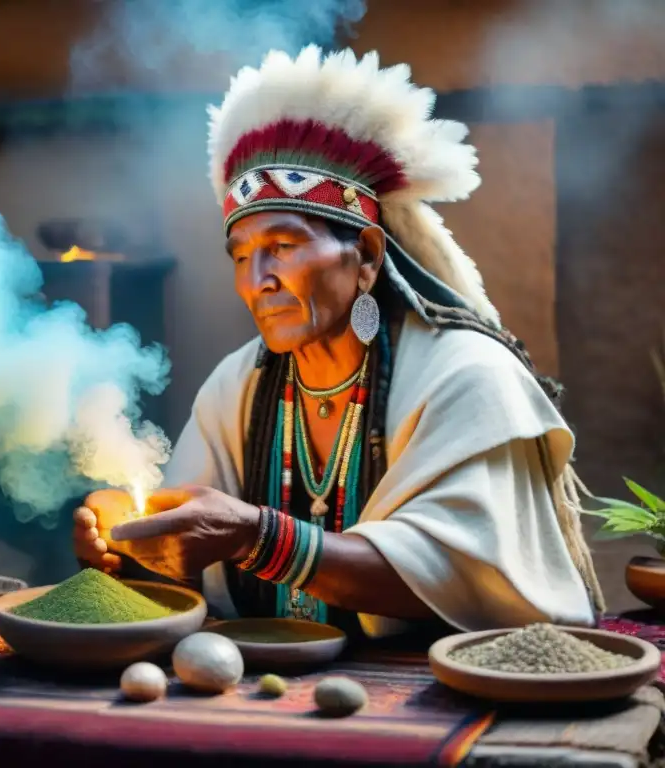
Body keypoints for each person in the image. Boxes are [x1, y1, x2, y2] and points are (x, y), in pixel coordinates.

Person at [73, 46, 604, 637]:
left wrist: (257, 537)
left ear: (368, 257)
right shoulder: (237, 385)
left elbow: (466, 579)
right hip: (256, 700)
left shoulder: (466, 376)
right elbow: (189, 565)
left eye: (283, 245)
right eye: (242, 256)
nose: (257, 281)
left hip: (440, 700)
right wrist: (129, 546)